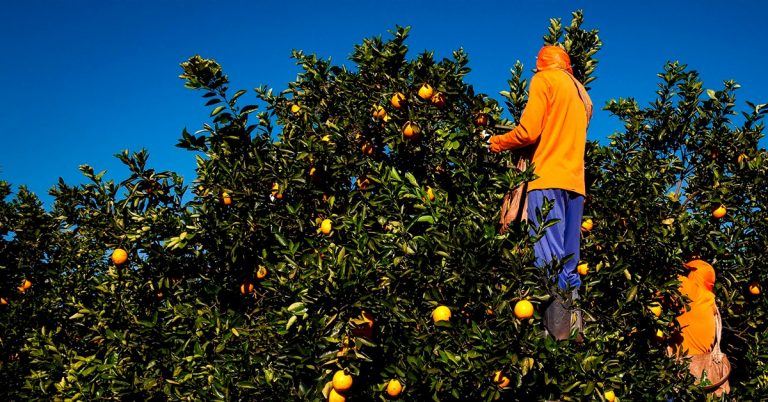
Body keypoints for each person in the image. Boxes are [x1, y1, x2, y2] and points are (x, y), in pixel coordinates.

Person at [488, 45, 592, 340]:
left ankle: (554, 336)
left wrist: (493, 142)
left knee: (547, 257)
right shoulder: (581, 94)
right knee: (569, 260)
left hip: (547, 179)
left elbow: (528, 131)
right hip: (576, 184)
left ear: (542, 65)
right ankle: (575, 330)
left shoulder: (544, 80)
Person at [673, 259, 730, 395]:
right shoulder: (710, 302)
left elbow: (660, 282)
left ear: (694, 274)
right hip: (706, 369)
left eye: (689, 272)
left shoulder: (690, 289)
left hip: (684, 367)